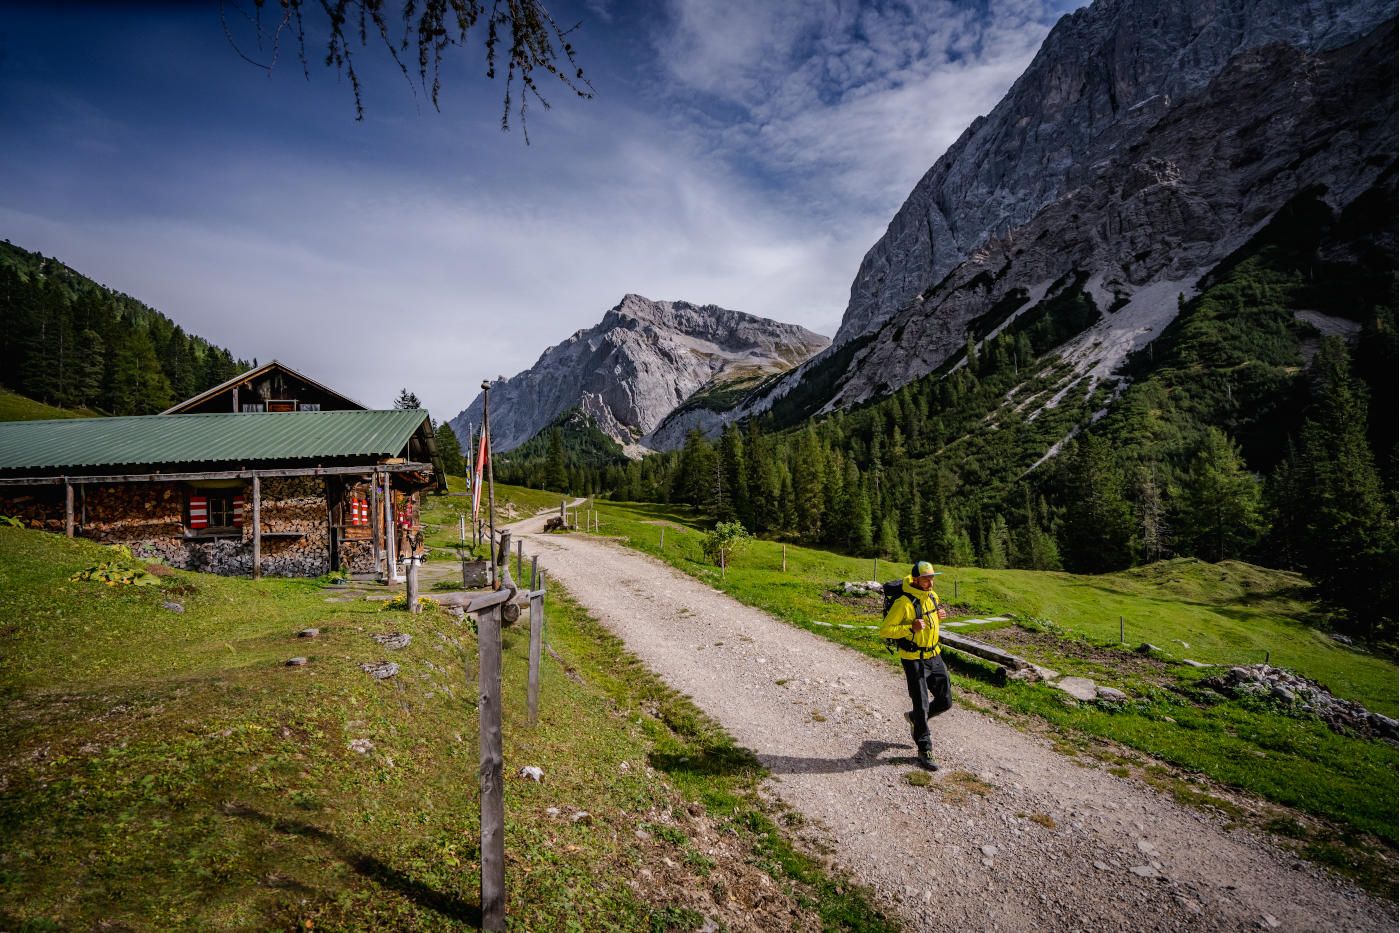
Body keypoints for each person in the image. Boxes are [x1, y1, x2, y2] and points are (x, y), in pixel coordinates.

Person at [879, 560, 951, 770]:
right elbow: (885, 630)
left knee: (945, 701)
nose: (931, 581)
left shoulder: (932, 596)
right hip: (913, 659)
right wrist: (910, 628)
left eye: (933, 577)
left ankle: (914, 719)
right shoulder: (903, 602)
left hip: (935, 656)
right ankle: (924, 748)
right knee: (921, 704)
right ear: (916, 579)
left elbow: (930, 624)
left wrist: (939, 617)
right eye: (927, 578)